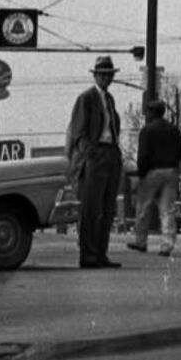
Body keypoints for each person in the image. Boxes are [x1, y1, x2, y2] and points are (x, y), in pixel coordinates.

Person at [66, 59, 125, 269]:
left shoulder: (109, 99)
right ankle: (89, 256)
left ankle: (101, 254)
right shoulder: (86, 98)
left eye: (110, 74)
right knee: (91, 209)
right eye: (103, 74)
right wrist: (89, 153)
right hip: (95, 154)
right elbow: (78, 133)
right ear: (96, 76)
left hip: (111, 153)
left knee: (107, 209)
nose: (107, 78)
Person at [130, 90, 181, 255]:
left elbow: (142, 155)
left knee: (143, 208)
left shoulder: (147, 131)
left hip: (152, 172)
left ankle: (140, 241)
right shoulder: (174, 130)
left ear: (150, 113)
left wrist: (142, 174)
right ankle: (167, 245)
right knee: (167, 210)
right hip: (171, 171)